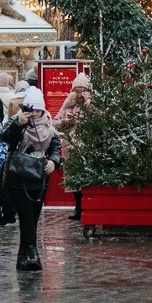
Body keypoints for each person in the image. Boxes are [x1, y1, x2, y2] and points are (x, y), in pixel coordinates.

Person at [0, 87, 61, 272]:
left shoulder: (48, 124)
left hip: (39, 177)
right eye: (31, 109)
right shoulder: (18, 120)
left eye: (37, 110)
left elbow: (56, 146)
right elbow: (5, 137)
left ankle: (22, 258)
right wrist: (19, 123)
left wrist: (54, 161)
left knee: (32, 219)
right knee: (26, 216)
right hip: (17, 176)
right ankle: (33, 253)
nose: (34, 114)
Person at [54, 72, 92, 220]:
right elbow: (55, 123)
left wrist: (82, 118)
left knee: (85, 177)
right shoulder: (68, 103)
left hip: (85, 145)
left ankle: (86, 207)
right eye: (77, 90)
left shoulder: (91, 104)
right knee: (73, 179)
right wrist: (66, 122)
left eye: (83, 90)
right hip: (70, 146)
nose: (80, 93)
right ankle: (77, 207)